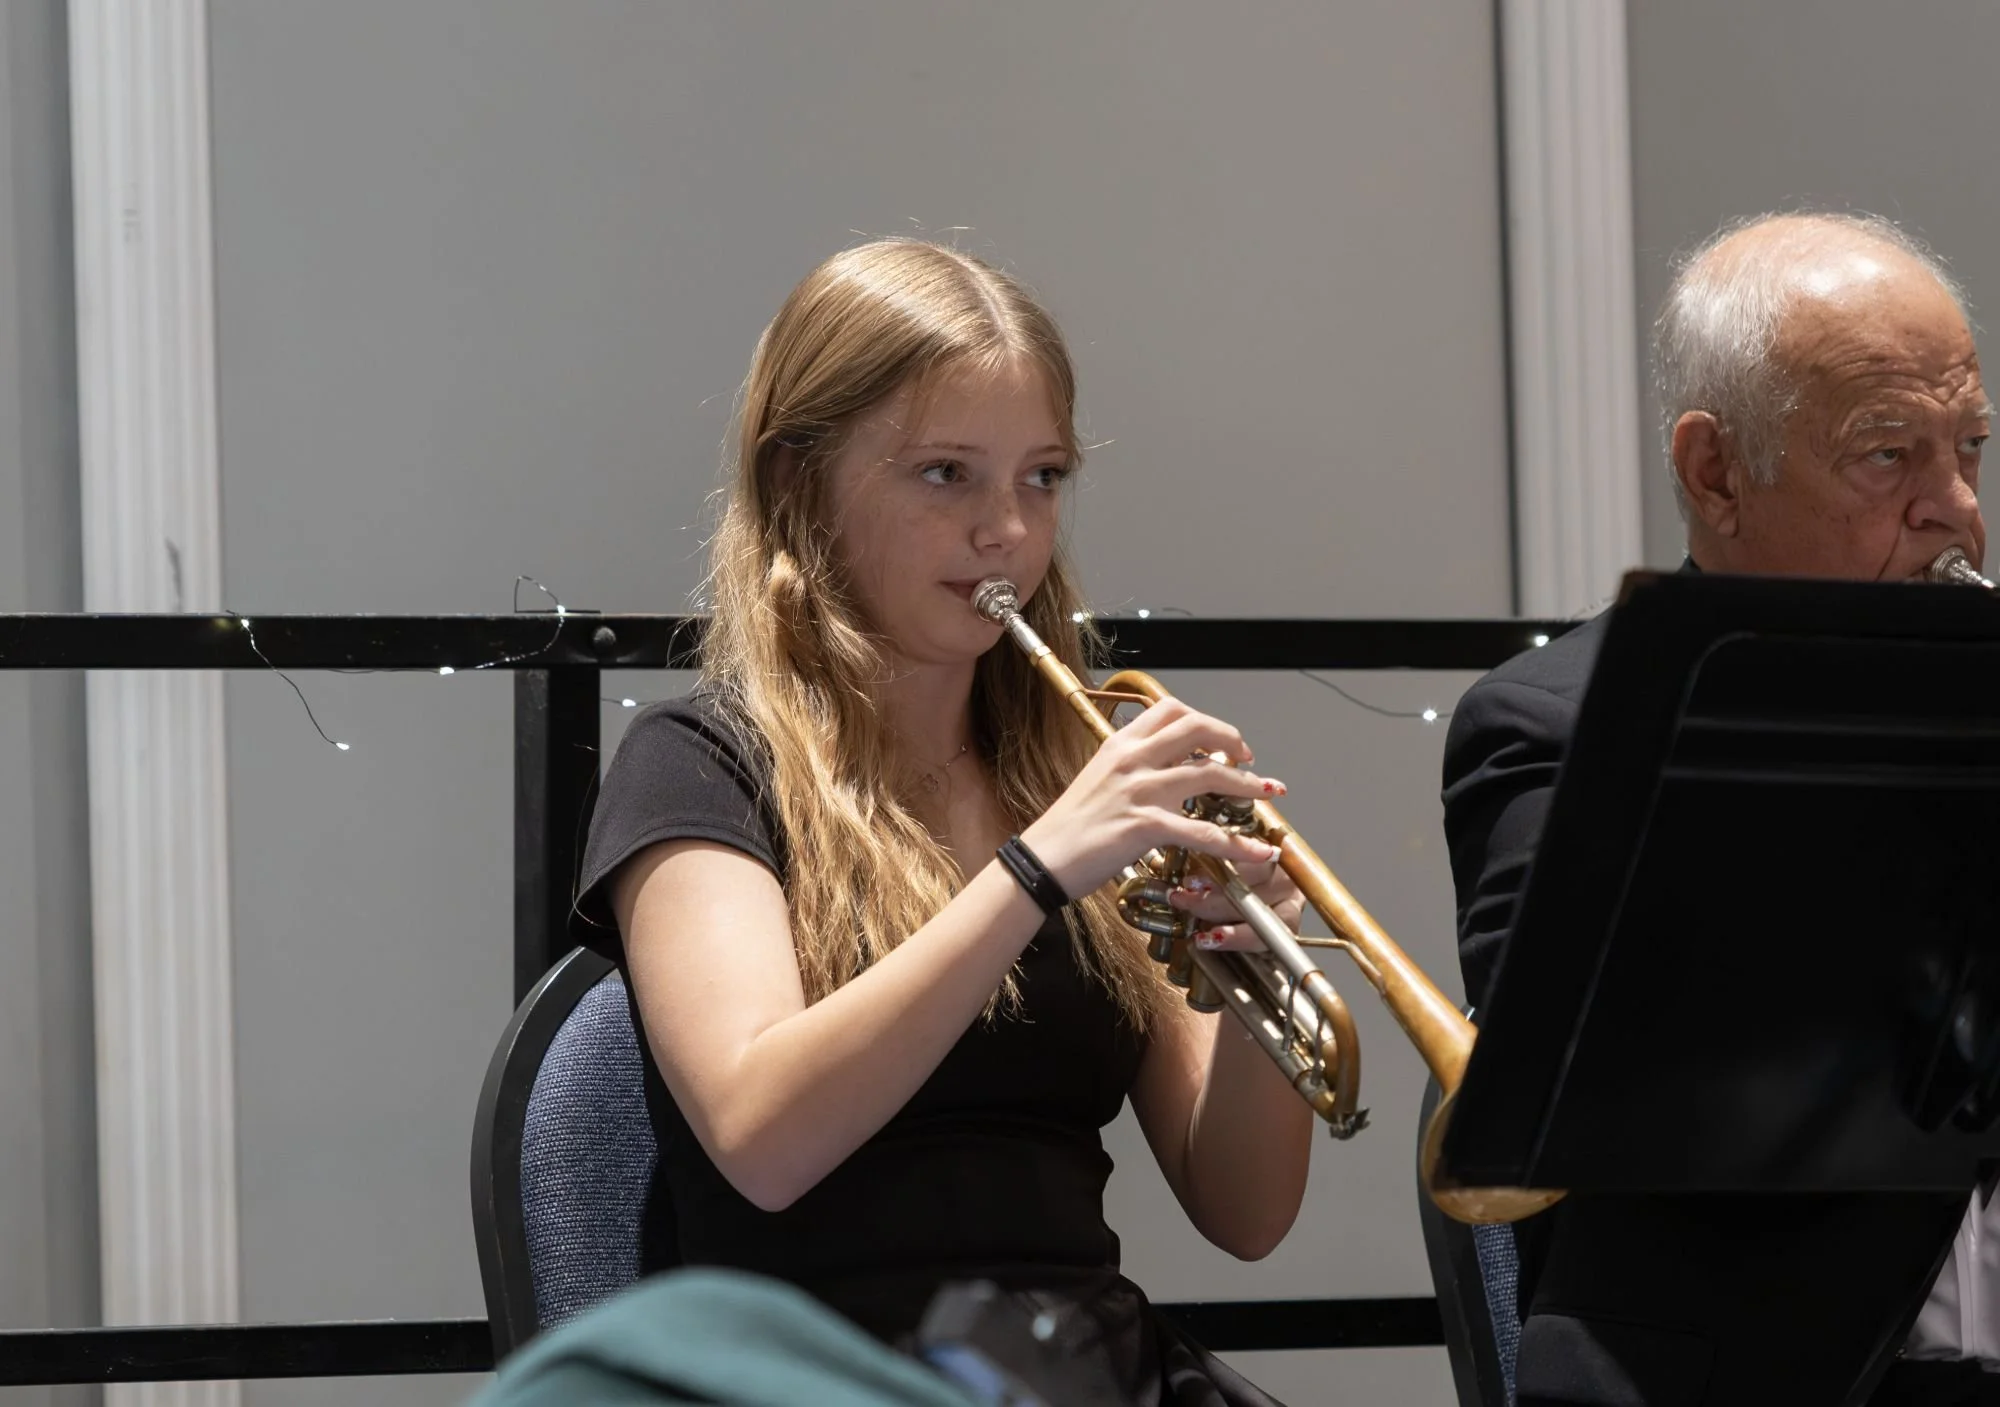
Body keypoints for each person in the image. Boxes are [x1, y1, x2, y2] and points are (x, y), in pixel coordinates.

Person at [570, 238, 1313, 1406]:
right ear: (800, 478)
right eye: (944, 475)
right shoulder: (697, 766)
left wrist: (1253, 971)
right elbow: (763, 1137)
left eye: (1042, 478)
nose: (1005, 529)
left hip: (1084, 1373)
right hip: (832, 1373)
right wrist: (1030, 872)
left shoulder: (1073, 777)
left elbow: (1245, 1215)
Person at [1443, 210, 1995, 1406]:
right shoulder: (1553, 723)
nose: (1954, 506)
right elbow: (1626, 1082)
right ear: (1714, 473)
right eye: (1889, 455)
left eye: (1971, 447)